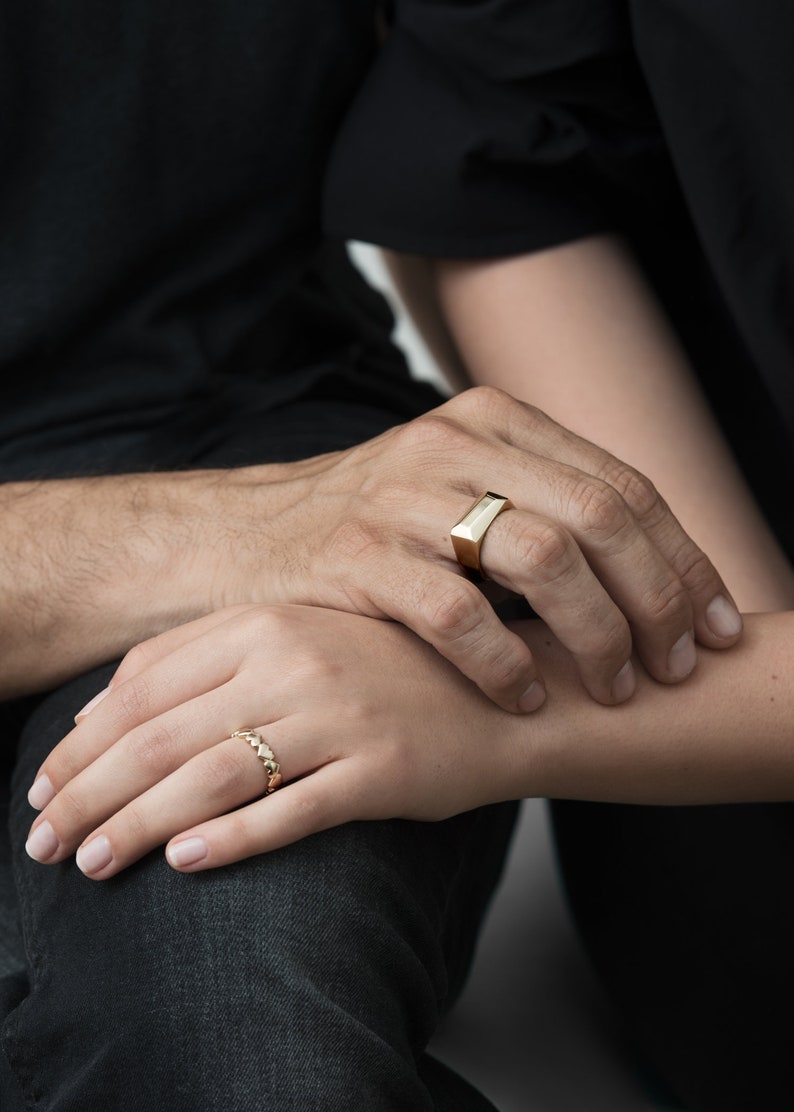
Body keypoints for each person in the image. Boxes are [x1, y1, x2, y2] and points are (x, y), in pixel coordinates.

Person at [18, 3, 794, 1111]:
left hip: (262, 441)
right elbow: (496, 152)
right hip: (307, 517)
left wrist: (551, 709)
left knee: (241, 1022)